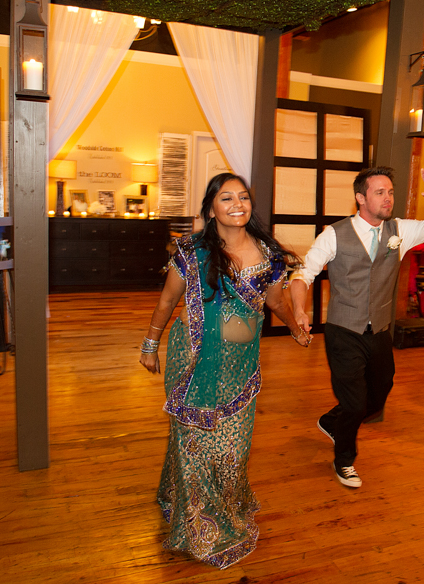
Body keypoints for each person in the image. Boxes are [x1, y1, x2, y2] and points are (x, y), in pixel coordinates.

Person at [139, 173, 311, 569]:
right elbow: (167, 302)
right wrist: (150, 345)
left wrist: (295, 327)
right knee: (195, 442)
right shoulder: (192, 252)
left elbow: (277, 302)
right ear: (211, 208)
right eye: (227, 198)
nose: (238, 204)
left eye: (244, 197)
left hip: (241, 366)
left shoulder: (268, 254)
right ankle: (197, 522)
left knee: (233, 448)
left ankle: (198, 497)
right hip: (195, 362)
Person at [290, 165, 424, 488]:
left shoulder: (399, 231)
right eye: (380, 192)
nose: (387, 198)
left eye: (390, 192)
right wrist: (299, 310)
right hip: (344, 330)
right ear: (360, 198)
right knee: (354, 402)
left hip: (379, 331)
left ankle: (331, 421)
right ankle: (344, 460)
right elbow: (303, 275)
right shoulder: (334, 234)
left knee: (378, 394)